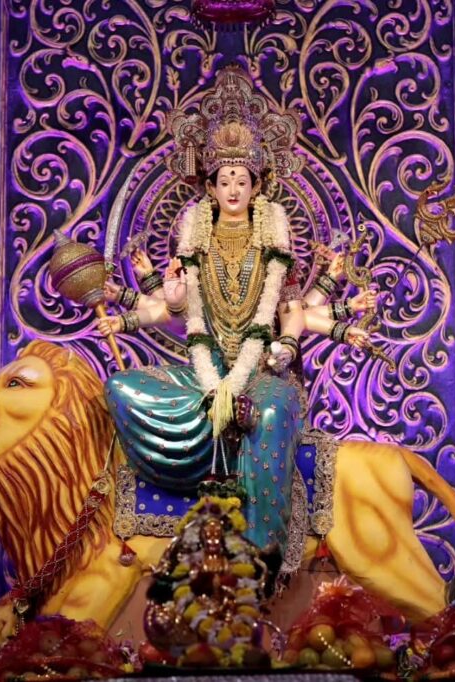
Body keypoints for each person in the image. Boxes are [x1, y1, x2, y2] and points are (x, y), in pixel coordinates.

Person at [96, 67, 371, 568]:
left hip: (264, 372)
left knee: (266, 414)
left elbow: (290, 311)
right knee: (121, 387)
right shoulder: (194, 245)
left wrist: (287, 347)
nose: (233, 189)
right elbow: (181, 319)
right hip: (204, 372)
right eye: (224, 180)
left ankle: (260, 552)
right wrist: (153, 304)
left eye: (242, 180)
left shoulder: (273, 244)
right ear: (210, 187)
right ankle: (185, 480)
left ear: (256, 185)